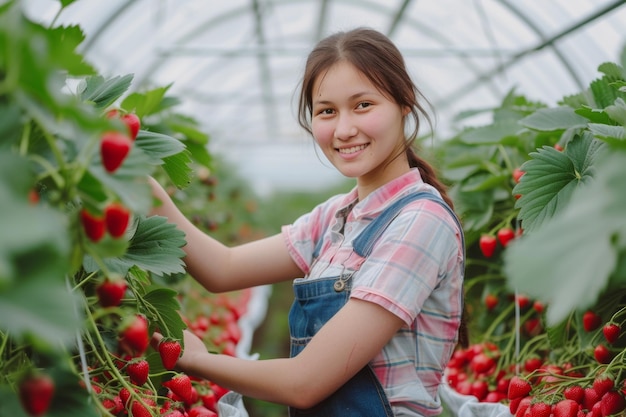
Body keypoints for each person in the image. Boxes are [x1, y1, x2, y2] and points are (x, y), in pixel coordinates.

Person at [150, 27, 465, 417]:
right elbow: (222, 268)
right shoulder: (335, 217)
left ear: (405, 102)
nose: (344, 129)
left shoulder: (420, 222)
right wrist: (142, 191)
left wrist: (194, 359)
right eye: (327, 111)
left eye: (363, 105)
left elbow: (304, 383)